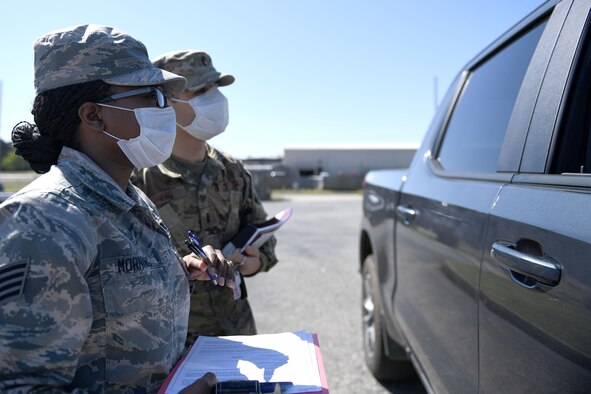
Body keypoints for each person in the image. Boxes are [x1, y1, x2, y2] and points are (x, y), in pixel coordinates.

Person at [0, 24, 234, 393]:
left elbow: (107, 296)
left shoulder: (128, 196)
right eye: (152, 97)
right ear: (94, 116)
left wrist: (181, 270)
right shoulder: (45, 221)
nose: (168, 110)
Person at [132, 50, 278, 345]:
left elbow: (265, 235)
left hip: (238, 331)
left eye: (215, 89)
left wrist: (254, 263)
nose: (215, 99)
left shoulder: (233, 170)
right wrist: (184, 269)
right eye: (200, 91)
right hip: (175, 341)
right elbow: (126, 271)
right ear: (166, 101)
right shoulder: (139, 179)